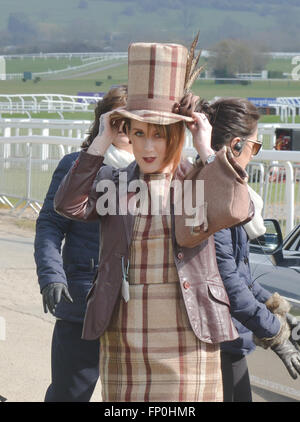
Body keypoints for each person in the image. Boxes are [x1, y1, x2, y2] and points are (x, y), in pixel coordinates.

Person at [53, 41, 260, 402]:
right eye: (138, 133)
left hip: (188, 338)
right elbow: (70, 206)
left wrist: (207, 149)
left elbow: (238, 209)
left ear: (175, 135)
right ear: (127, 134)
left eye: (159, 135)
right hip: (125, 335)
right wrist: (100, 142)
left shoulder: (197, 181)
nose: (148, 147)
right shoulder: (115, 184)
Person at [196, 97, 300, 402]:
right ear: (237, 145)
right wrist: (276, 335)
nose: (255, 155)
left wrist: (273, 304)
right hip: (211, 341)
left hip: (227, 339)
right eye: (255, 146)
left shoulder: (227, 191)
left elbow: (239, 272)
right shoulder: (214, 196)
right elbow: (226, 281)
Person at [34, 86, 134, 402]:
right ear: (104, 121)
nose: (127, 131)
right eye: (119, 122)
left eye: (135, 122)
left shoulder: (153, 170)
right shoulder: (76, 165)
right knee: (70, 395)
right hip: (83, 299)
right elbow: (50, 224)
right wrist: (52, 276)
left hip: (137, 306)